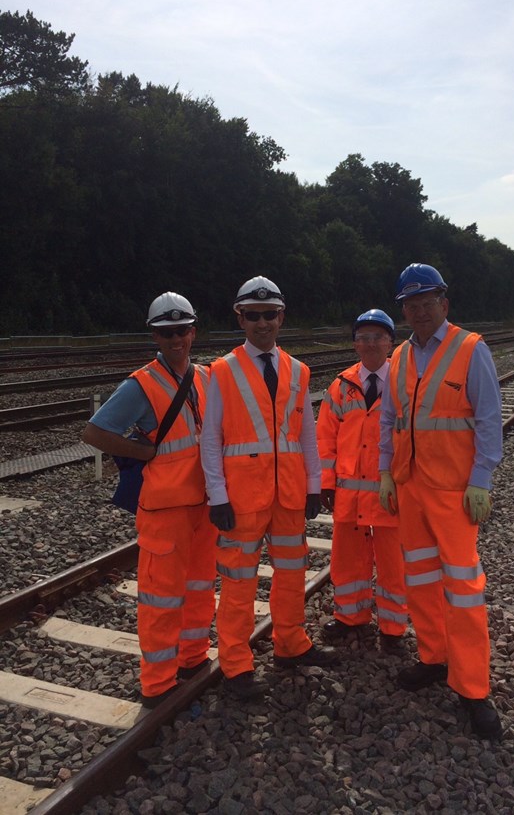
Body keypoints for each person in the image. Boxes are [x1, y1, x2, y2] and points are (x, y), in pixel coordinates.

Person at [378, 264, 503, 739]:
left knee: (464, 590)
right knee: (422, 580)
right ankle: (433, 656)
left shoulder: (471, 350)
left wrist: (481, 479)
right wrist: (388, 476)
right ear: (404, 310)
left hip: (454, 493)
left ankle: (472, 687)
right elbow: (391, 422)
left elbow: (489, 419)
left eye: (427, 302)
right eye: (411, 305)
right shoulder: (400, 360)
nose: (419, 311)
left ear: (444, 304)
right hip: (410, 490)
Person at [200, 275, 337, 700]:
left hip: (289, 494)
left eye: (270, 315)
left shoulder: (298, 370)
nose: (263, 323)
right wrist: (217, 494)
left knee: (292, 572)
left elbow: (307, 435)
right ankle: (236, 664)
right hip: (241, 498)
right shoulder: (221, 371)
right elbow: (211, 438)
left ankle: (291, 643)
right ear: (240, 318)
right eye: (254, 315)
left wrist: (315, 485)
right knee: (239, 582)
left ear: (282, 317)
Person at [82, 292, 216, 709]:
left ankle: (192, 659)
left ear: (193, 331)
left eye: (182, 330)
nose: (175, 338)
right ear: (155, 336)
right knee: (161, 598)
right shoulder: (140, 384)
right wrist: (144, 452)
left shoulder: (206, 377)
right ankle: (157, 681)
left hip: (205, 506)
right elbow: (94, 432)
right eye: (166, 332)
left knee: (197, 590)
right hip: (165, 509)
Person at [316, 309, 408, 649]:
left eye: (378, 337)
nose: (370, 344)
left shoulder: (403, 385)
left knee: (393, 564)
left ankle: (393, 628)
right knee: (347, 560)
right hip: (349, 495)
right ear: (355, 344)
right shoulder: (340, 387)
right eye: (363, 338)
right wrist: (325, 482)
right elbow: (324, 438)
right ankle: (350, 616)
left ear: (391, 343)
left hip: (390, 494)